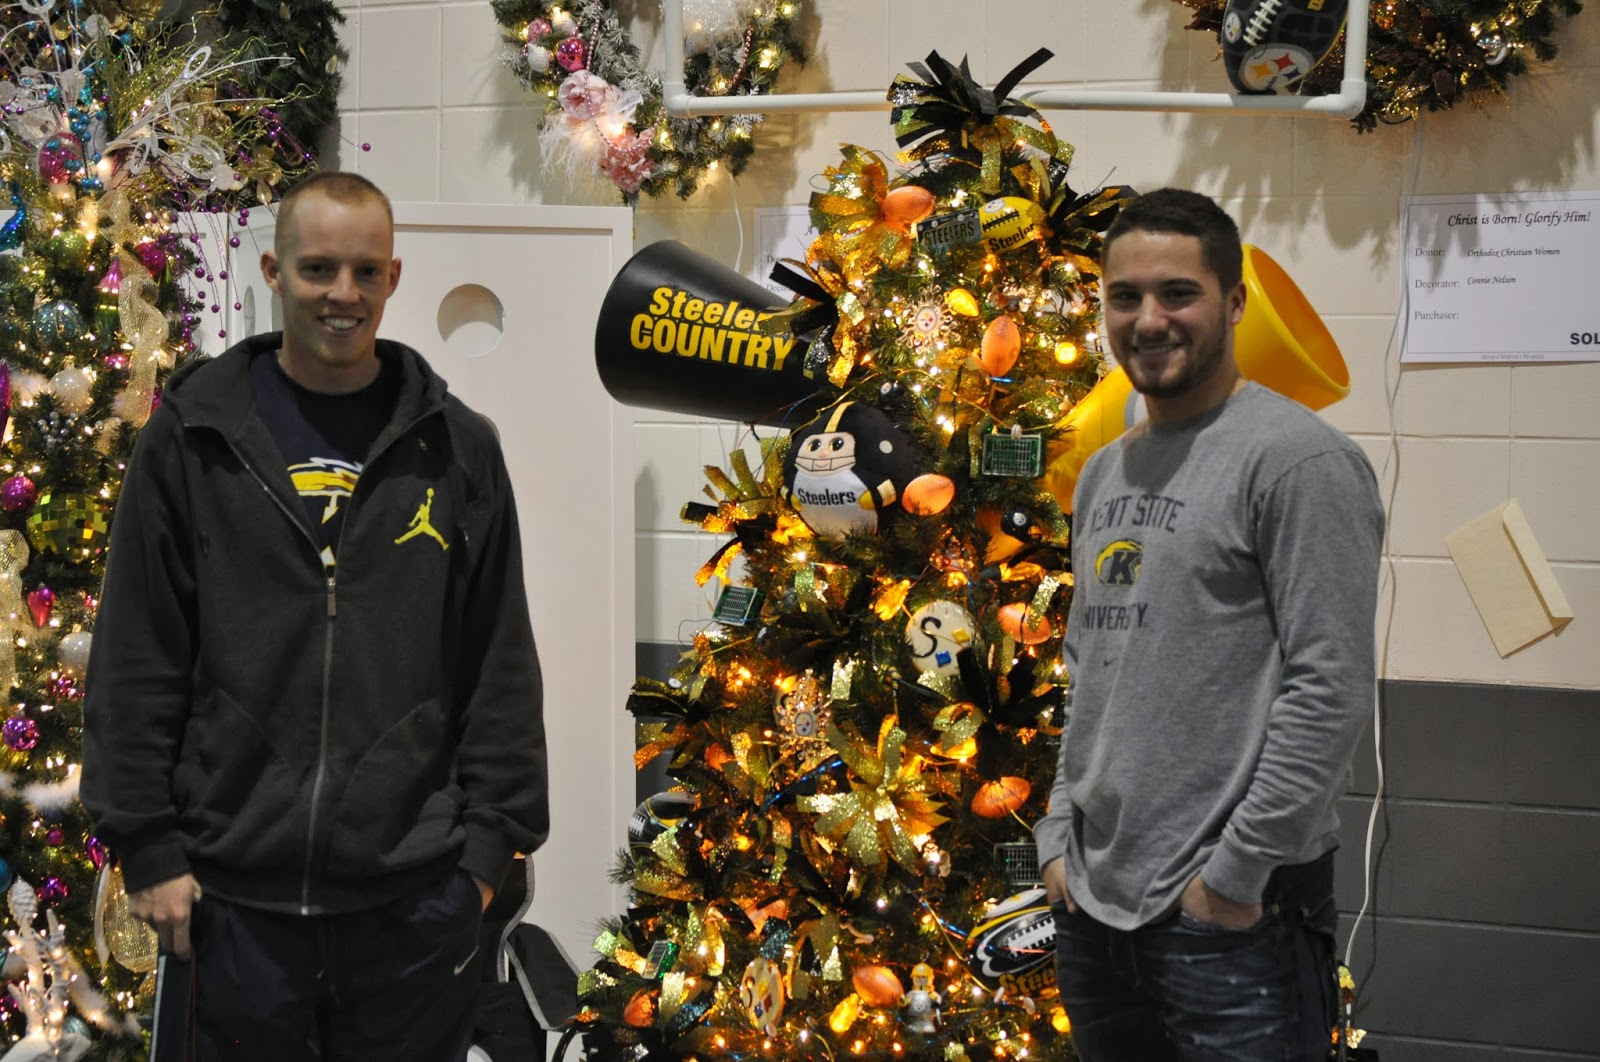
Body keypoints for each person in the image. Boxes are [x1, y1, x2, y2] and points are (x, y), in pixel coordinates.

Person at [81, 171, 549, 1061]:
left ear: (394, 278)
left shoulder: (458, 446)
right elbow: (138, 649)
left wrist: (486, 859)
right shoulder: (191, 437)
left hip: (411, 907)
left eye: (366, 272)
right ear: (274, 270)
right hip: (230, 909)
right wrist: (145, 845)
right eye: (319, 269)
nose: (344, 295)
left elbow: (499, 658)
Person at [1034, 188, 1383, 1062]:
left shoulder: (1299, 461)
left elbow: (1329, 687)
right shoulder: (1107, 472)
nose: (1149, 320)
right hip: (1095, 908)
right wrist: (1055, 839)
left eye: (1178, 293)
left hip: (1234, 920)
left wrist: (1233, 877)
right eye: (1125, 296)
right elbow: (1092, 671)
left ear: (1232, 302)